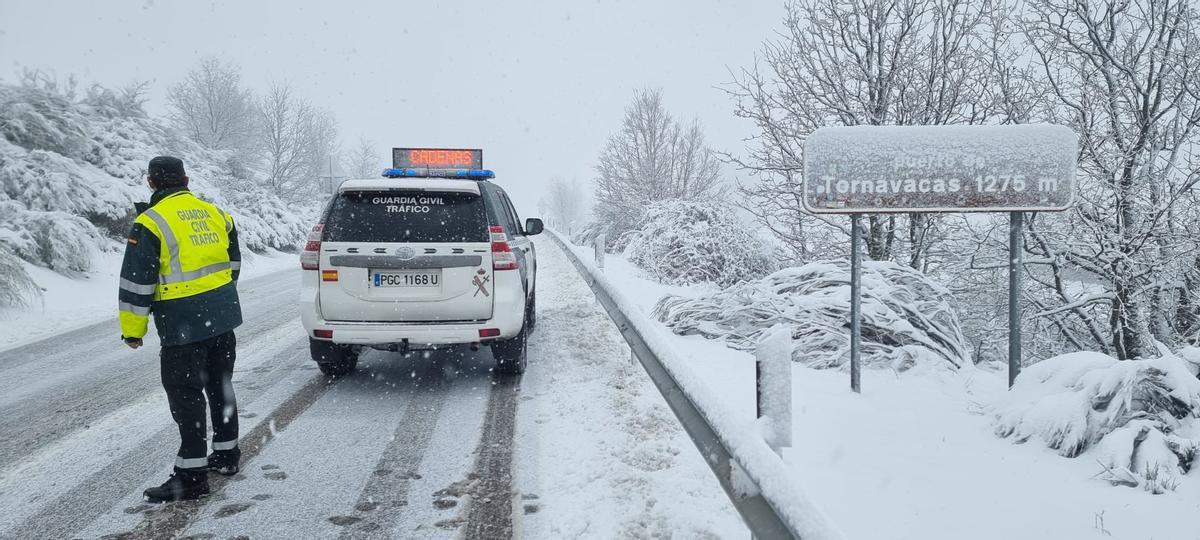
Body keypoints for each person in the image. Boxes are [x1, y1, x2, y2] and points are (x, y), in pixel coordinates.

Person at [118, 156, 244, 503]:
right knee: (221, 385)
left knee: (186, 396)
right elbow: (233, 263)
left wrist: (133, 329)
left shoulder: (151, 222)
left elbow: (136, 283)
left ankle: (191, 476)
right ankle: (227, 454)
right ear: (186, 179)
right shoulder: (215, 213)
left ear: (151, 183)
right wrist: (218, 297)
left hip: (181, 326)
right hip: (221, 318)